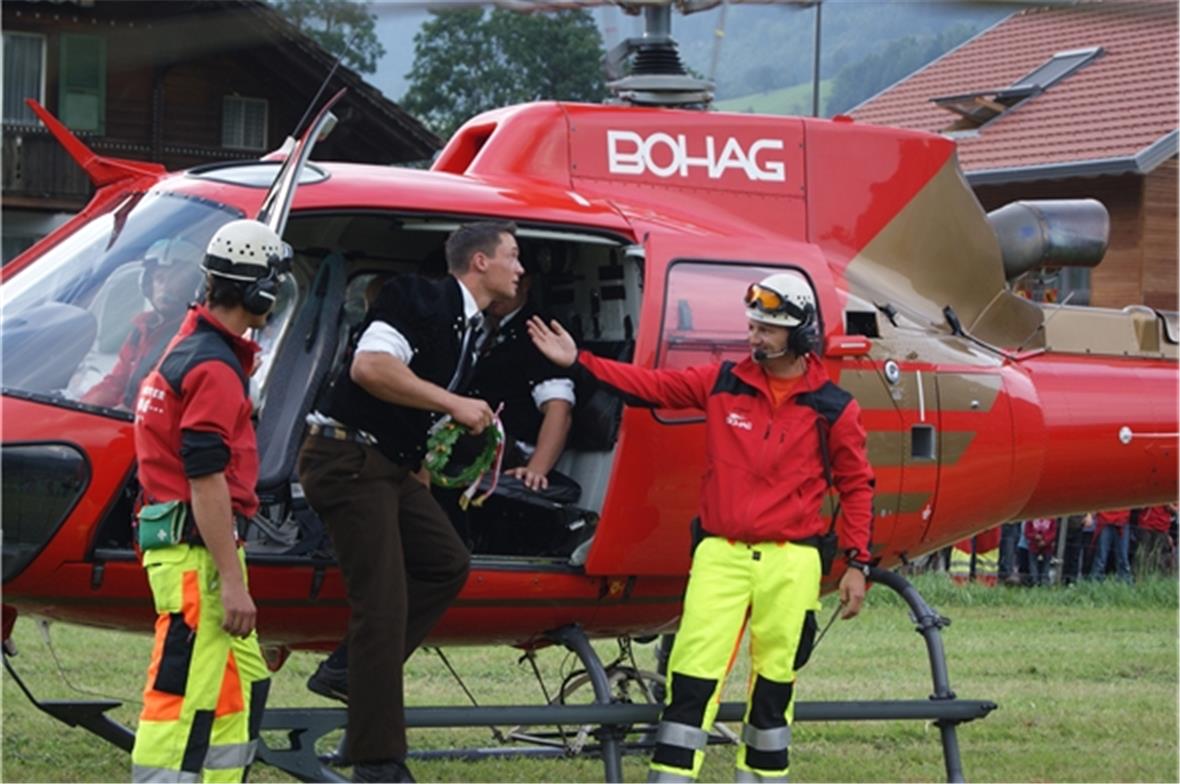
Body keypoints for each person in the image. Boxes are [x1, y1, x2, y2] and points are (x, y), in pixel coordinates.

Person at [528, 271, 875, 783]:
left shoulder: (833, 408)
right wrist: (580, 363)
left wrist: (858, 564)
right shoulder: (723, 380)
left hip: (793, 561)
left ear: (798, 335)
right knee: (691, 676)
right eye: (753, 325)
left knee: (776, 684)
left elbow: (857, 486)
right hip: (721, 555)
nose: (754, 337)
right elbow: (651, 387)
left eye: (766, 329)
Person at [297, 221, 523, 783]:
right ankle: (376, 763)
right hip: (347, 462)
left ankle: (350, 668)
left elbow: (408, 403)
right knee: (384, 605)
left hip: (389, 465)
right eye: (513, 256)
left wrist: (417, 462)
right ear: (479, 262)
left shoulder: (473, 325)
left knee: (447, 562)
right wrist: (455, 404)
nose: (520, 269)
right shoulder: (415, 297)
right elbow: (371, 368)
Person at [130, 220, 286, 782]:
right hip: (198, 555)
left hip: (189, 548)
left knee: (240, 684)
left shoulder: (184, 349)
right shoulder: (216, 369)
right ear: (257, 292)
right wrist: (233, 578)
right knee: (183, 694)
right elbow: (206, 478)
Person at [83, 238, 205, 410]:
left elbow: (165, 399)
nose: (166, 288)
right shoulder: (140, 330)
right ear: (147, 284)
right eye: (159, 279)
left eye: (177, 280)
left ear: (194, 286)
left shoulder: (193, 338)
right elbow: (116, 381)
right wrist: (82, 407)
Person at [1090, 508, 1132, 582]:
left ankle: (1125, 581)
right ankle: (1095, 580)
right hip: (1106, 519)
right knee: (1102, 555)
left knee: (1122, 556)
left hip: (1121, 519)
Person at [1134, 504, 1176, 577]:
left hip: (1162, 527)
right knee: (1142, 555)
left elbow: (1176, 509)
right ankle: (1140, 578)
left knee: (1161, 557)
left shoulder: (1170, 492)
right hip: (1145, 525)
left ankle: (1159, 580)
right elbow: (1139, 506)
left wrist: (1168, 504)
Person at [1023, 517, 1057, 586]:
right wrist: (1035, 536)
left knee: (1046, 564)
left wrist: (1045, 540)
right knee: (1033, 564)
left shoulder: (1052, 518)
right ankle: (1034, 581)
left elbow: (1053, 532)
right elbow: (1027, 532)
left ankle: (1045, 581)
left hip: (1047, 547)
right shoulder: (1031, 518)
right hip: (1033, 546)